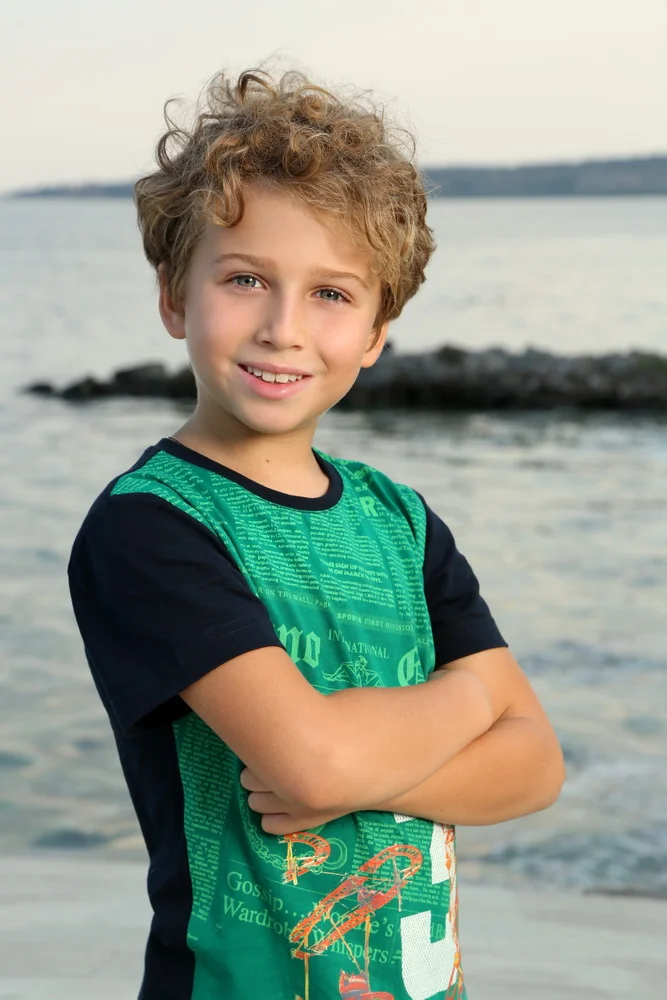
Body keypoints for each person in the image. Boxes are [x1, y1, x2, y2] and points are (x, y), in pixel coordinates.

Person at [67, 67, 564, 1000]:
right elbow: (312, 758)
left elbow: (534, 766)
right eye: (245, 279)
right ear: (175, 296)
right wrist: (467, 701)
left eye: (332, 294)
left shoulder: (403, 522)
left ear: (377, 331)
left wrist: (363, 770)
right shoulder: (151, 527)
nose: (283, 328)